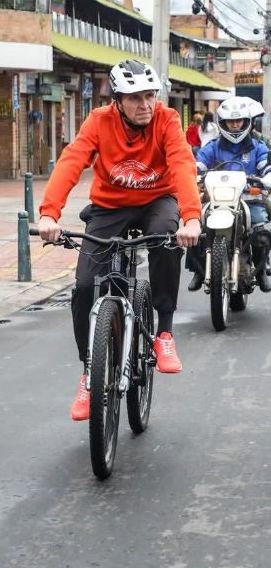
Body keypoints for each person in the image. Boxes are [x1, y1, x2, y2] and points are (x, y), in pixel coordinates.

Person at [36, 59, 201, 421]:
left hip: (157, 199)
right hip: (109, 206)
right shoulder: (99, 121)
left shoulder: (167, 120)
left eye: (150, 96)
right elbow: (71, 161)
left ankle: (164, 334)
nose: (145, 105)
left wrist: (191, 218)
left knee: (167, 239)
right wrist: (49, 214)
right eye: (135, 98)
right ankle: (88, 374)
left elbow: (182, 165)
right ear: (117, 101)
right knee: (84, 287)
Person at [188, 96, 271, 293]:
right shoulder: (213, 146)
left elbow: (266, 164)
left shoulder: (257, 146)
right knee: (195, 223)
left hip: (248, 198)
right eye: (230, 121)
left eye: (239, 121)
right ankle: (197, 270)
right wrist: (193, 173)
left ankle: (261, 268)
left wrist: (270, 174)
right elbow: (198, 164)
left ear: (246, 122)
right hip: (216, 198)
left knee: (260, 223)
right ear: (223, 122)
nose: (235, 125)